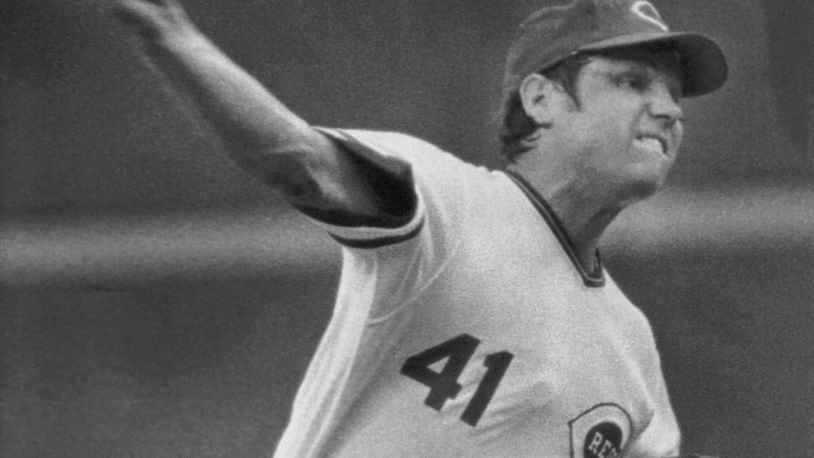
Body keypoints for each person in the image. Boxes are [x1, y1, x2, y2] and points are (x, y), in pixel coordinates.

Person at [112, 0, 727, 456]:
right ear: (542, 99)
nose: (669, 109)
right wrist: (170, 34)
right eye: (630, 81)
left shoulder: (631, 344)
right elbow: (296, 159)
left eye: (674, 94)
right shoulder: (449, 205)